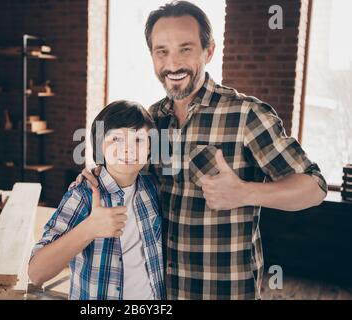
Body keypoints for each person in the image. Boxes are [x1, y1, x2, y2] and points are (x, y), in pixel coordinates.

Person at [77, 1, 327, 299]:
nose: (173, 64)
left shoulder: (246, 115)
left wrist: (246, 193)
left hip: (223, 292)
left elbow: (314, 188)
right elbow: (131, 181)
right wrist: (97, 177)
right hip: (161, 292)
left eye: (186, 49)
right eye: (162, 51)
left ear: (208, 51)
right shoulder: (150, 121)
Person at [28, 100, 166, 300]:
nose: (128, 149)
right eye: (116, 139)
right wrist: (90, 228)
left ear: (150, 148)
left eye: (138, 140)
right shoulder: (83, 195)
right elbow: (36, 273)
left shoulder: (152, 188)